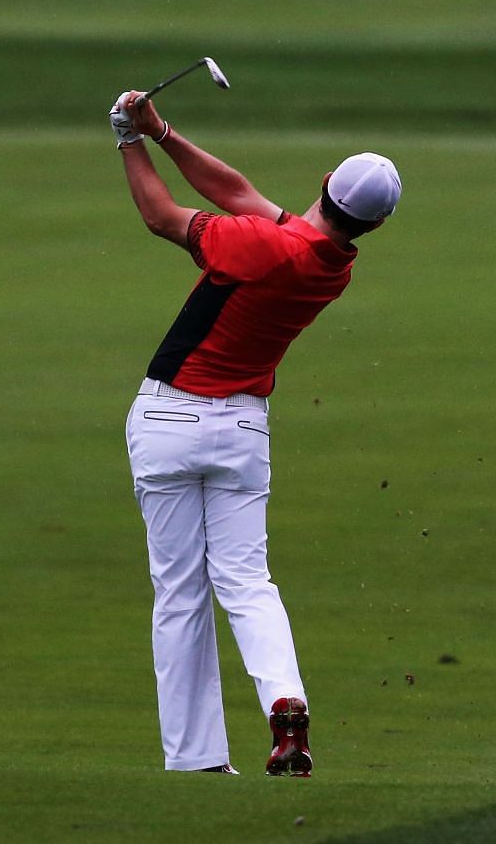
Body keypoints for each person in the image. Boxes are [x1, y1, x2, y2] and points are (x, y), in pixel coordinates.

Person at [108, 89, 401, 777]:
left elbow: (160, 217)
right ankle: (286, 701)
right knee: (246, 580)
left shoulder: (259, 245)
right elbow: (238, 190)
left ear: (324, 184)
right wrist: (164, 132)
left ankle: (197, 759)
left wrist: (125, 139)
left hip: (170, 420)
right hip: (241, 430)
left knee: (180, 592)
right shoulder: (329, 263)